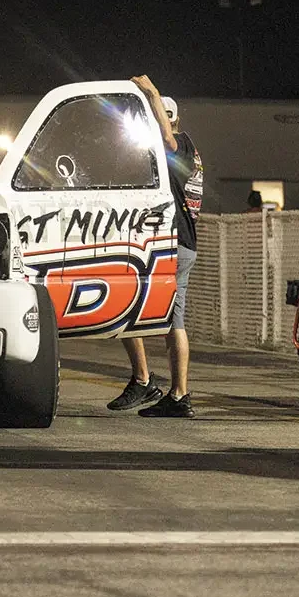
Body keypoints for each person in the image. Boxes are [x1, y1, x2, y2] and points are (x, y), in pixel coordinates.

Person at [106, 75, 202, 418]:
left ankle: (176, 394)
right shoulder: (163, 154)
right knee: (131, 308)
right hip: (166, 243)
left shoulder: (180, 145)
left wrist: (152, 93)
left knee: (168, 319)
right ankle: (147, 381)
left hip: (174, 245)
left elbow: (166, 137)